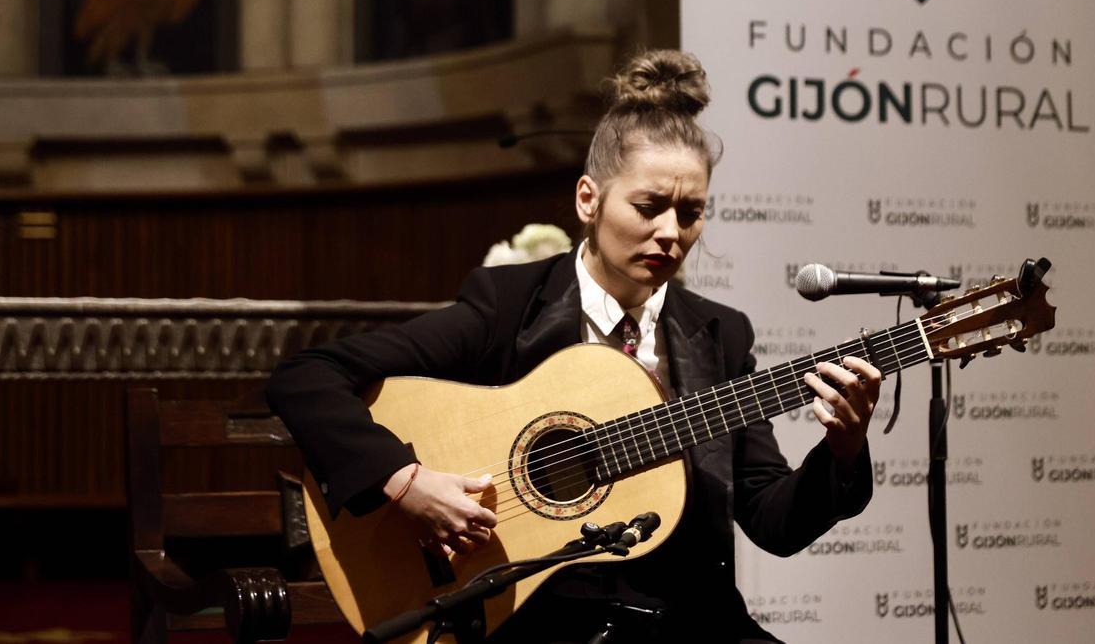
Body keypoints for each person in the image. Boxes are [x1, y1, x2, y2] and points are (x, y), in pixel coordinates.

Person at [266, 49, 881, 643]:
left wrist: (843, 453)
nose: (670, 232)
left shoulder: (719, 335)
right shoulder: (507, 305)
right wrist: (407, 482)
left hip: (691, 619)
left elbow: (772, 521)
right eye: (649, 206)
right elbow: (308, 376)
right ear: (590, 199)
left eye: (691, 213)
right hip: (536, 621)